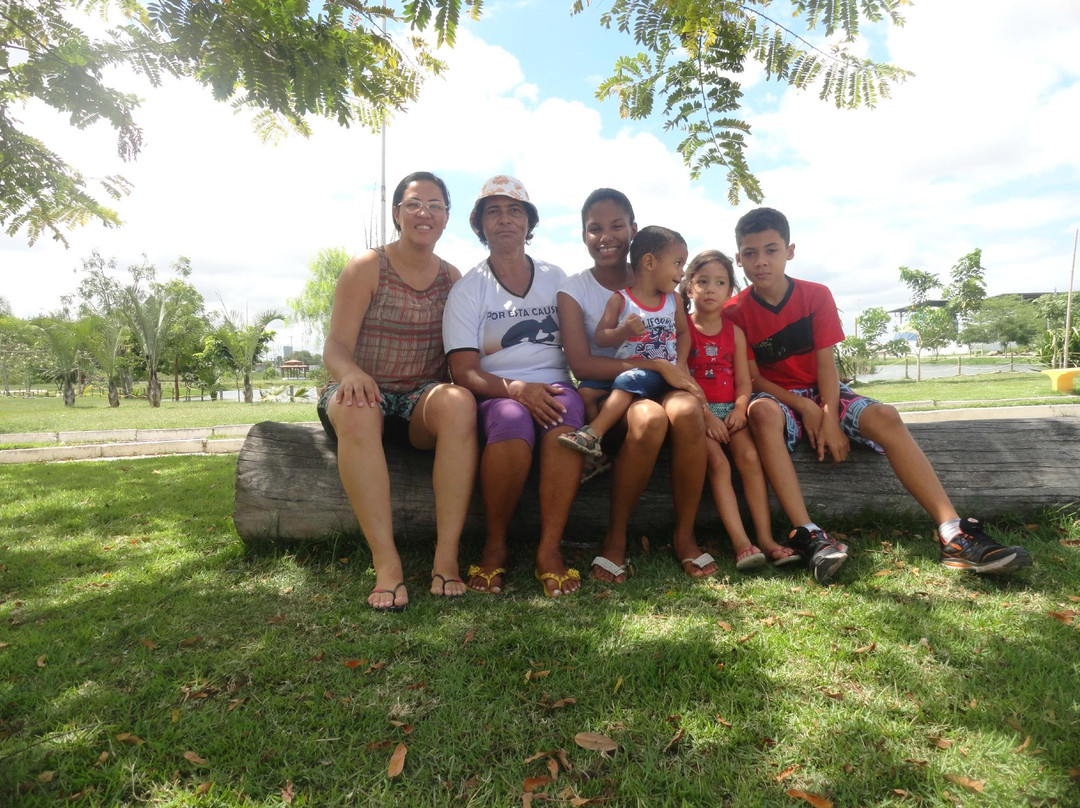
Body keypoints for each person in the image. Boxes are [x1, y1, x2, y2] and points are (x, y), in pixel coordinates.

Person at [723, 206, 1033, 583]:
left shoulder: (815, 296)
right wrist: (804, 406)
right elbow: (753, 379)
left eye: (771, 250)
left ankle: (952, 532)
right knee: (761, 413)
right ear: (738, 257)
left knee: (885, 415)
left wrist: (829, 415)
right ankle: (809, 533)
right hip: (780, 400)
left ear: (790, 251)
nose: (761, 262)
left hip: (827, 392)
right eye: (750, 253)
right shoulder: (735, 311)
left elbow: (826, 365)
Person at [320, 171, 478, 612]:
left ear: (447, 217)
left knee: (460, 402)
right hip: (359, 391)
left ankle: (446, 560)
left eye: (435, 205)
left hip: (417, 400)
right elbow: (334, 346)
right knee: (359, 407)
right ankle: (387, 565)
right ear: (397, 213)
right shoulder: (367, 267)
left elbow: (461, 351)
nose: (424, 212)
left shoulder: (453, 278)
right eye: (413, 203)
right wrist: (350, 373)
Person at [557, 189, 718, 583]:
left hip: (666, 386)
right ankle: (615, 538)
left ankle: (685, 535)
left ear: (633, 229)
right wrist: (656, 366)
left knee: (684, 411)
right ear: (582, 234)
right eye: (594, 228)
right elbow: (581, 362)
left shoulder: (663, 283)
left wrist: (676, 367)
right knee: (649, 419)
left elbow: (683, 332)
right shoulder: (576, 289)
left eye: (616, 226)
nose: (606, 236)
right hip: (625, 391)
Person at [442, 175, 587, 598]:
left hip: (557, 386)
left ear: (529, 221)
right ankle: (495, 545)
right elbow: (463, 370)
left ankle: (549, 550)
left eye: (515, 210)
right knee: (511, 422)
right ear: (480, 225)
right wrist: (517, 390)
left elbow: (578, 344)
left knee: (564, 427)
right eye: (493, 211)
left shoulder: (556, 277)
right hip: (497, 391)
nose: (505, 219)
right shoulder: (469, 288)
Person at [681, 250, 801, 571]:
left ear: (729, 290)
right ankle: (741, 543)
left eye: (720, 282)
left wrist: (739, 408)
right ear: (689, 287)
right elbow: (680, 377)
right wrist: (705, 416)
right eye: (703, 281)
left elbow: (745, 382)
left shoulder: (733, 332)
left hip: (732, 413)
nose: (710, 289)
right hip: (698, 415)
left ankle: (766, 539)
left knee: (749, 459)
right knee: (718, 464)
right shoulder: (684, 329)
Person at [558, 225, 691, 457]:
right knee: (586, 394)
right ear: (650, 263)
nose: (682, 273)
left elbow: (683, 333)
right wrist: (623, 332)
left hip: (659, 373)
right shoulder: (620, 300)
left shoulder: (674, 301)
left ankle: (593, 433)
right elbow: (601, 337)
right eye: (678, 263)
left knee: (628, 382)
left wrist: (680, 364)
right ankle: (602, 451)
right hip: (631, 368)